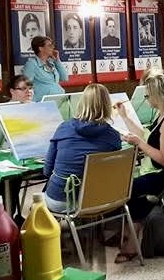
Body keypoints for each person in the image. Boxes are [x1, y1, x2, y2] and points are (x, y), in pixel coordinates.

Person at [119, 74, 164, 262]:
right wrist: (125, 118)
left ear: (157, 95)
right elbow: (146, 136)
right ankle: (131, 234)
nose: (146, 99)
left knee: (126, 188)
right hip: (159, 171)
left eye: (147, 95)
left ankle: (132, 237)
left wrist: (139, 143)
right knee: (128, 186)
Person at [43, 83, 122, 214]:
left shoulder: (64, 128)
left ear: (81, 102)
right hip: (97, 199)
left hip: (59, 199)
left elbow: (47, 171)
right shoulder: (113, 136)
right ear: (107, 105)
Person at [23, 36, 69, 102]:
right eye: (49, 45)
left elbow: (65, 78)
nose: (53, 47)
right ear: (41, 48)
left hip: (58, 101)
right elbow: (26, 86)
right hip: (42, 103)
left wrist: (57, 61)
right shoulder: (32, 64)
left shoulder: (51, 63)